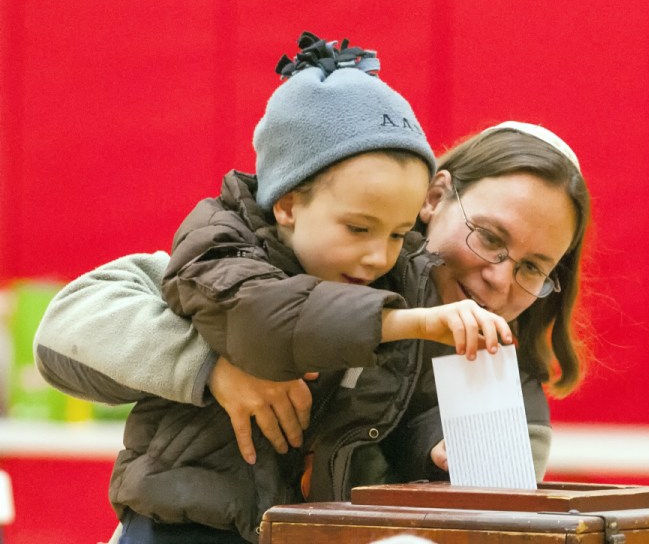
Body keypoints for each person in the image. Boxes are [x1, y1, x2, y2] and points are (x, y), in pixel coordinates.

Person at [34, 36, 590, 544]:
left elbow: (487, 501)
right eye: (488, 237)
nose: (499, 275)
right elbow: (69, 328)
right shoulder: (267, 251)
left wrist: (443, 452)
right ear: (435, 197)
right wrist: (217, 366)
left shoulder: (503, 372)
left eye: (533, 267)